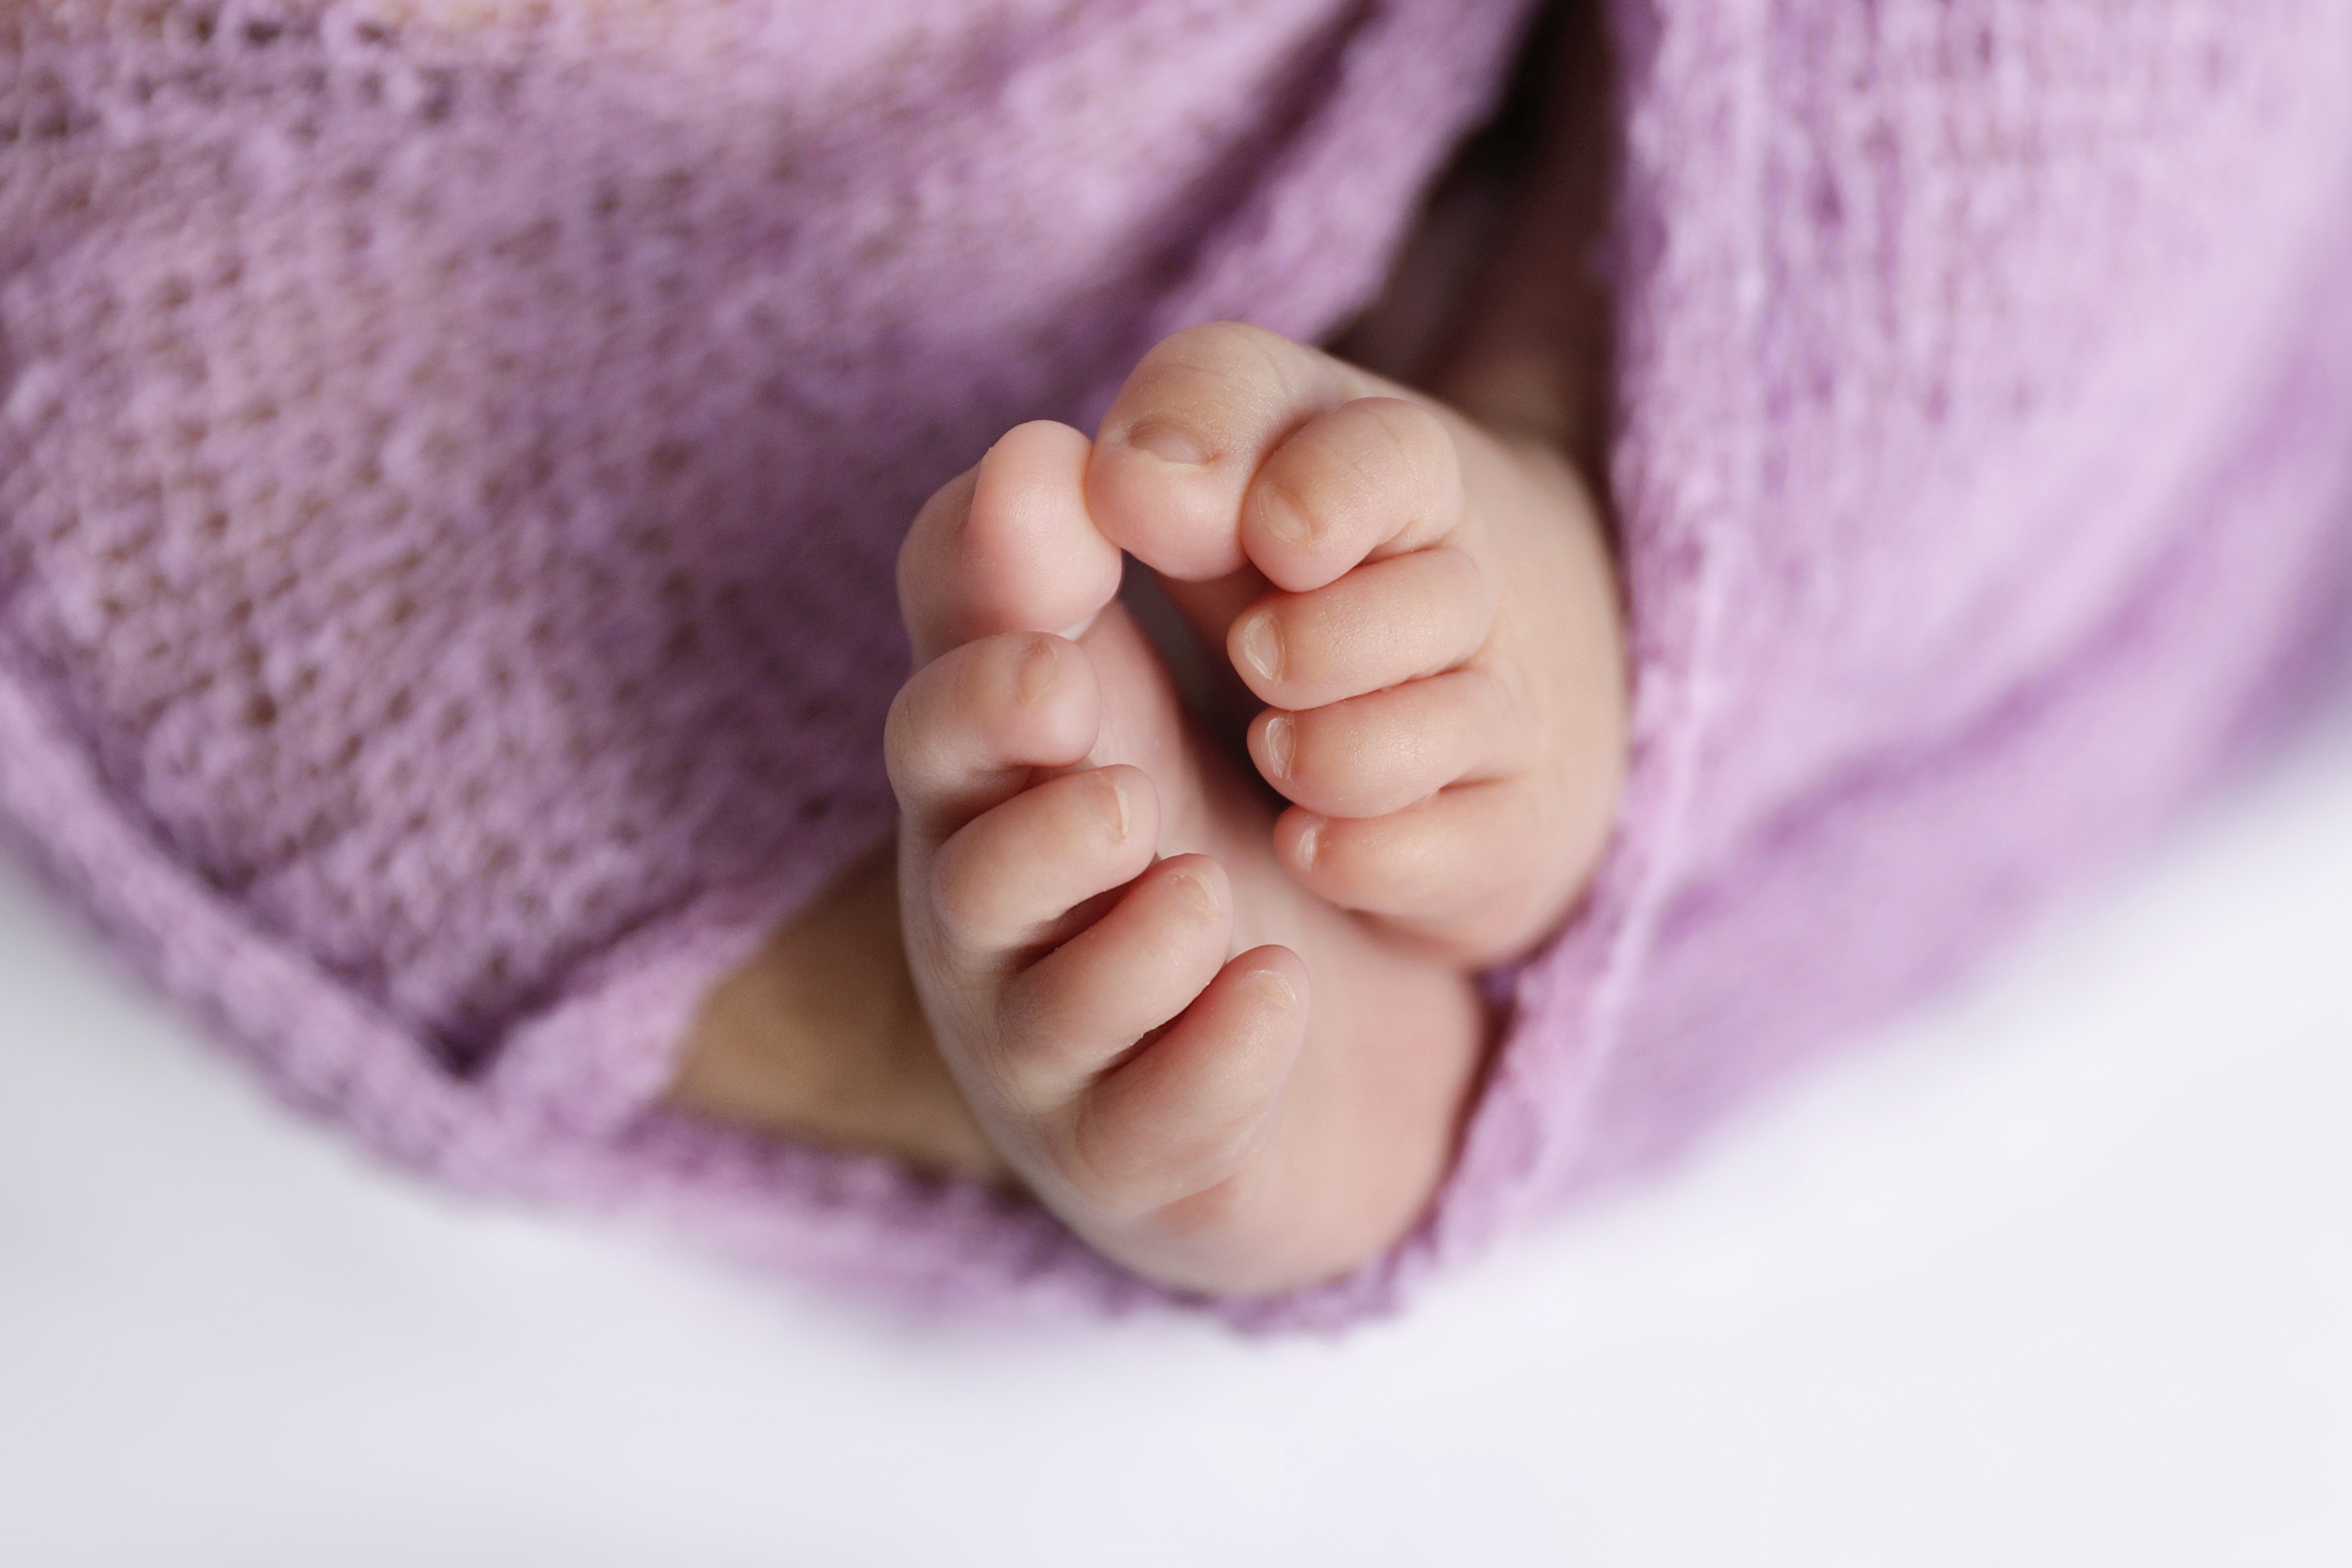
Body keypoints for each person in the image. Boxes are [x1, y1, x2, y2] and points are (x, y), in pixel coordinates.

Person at [5, 0, 2347, 1322]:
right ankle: (1495, 666)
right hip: (1453, 390)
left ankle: (1541, 577)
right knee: (1120, 825)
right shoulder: (191, 384)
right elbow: (478, 773)